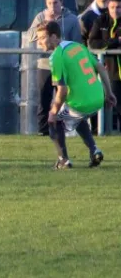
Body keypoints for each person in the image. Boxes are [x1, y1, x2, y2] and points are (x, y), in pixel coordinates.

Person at [36, 21, 116, 169]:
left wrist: (53, 111)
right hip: (98, 98)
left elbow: (62, 90)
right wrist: (109, 93)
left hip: (82, 103)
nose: (39, 42)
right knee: (76, 117)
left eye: (42, 38)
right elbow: (100, 68)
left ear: (54, 37)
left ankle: (63, 160)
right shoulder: (77, 46)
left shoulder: (56, 57)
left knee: (54, 120)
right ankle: (95, 151)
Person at [26, 0, 82, 136]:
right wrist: (45, 24)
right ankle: (43, 129)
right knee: (43, 97)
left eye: (55, 3)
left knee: (64, 96)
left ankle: (63, 128)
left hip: (64, 64)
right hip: (45, 63)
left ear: (61, 2)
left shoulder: (71, 19)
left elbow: (76, 42)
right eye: (49, 3)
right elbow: (30, 36)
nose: (52, 6)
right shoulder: (40, 17)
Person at [78, 0, 109, 133]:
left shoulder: (115, 10)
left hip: (114, 63)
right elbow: (84, 41)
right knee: (97, 95)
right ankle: (97, 129)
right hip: (94, 63)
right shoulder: (87, 17)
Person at [88, 0, 121, 132]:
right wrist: (116, 42)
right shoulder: (101, 21)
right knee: (112, 102)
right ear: (108, 7)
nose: (115, 10)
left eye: (119, 7)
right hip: (110, 70)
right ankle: (98, 131)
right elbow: (93, 43)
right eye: (112, 7)